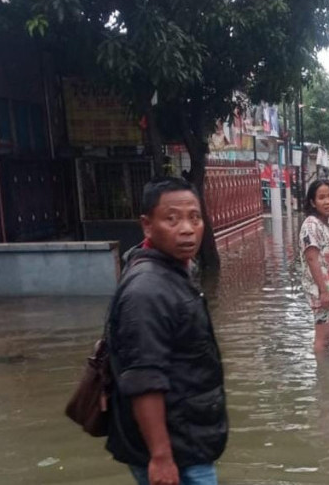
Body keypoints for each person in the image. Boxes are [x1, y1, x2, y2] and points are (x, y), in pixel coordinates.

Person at [106, 177, 228, 485]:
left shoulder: (175, 271)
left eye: (194, 217)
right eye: (172, 219)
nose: (186, 228)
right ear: (148, 226)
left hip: (187, 440)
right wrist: (161, 457)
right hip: (173, 450)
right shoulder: (147, 290)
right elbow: (144, 378)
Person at [299, 180, 329, 353]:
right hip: (322, 292)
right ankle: (323, 377)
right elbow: (312, 259)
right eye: (321, 198)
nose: (327, 201)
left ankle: (328, 377)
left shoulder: (327, 223)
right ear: (313, 202)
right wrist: (323, 291)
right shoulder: (311, 225)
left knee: (327, 341)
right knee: (322, 341)